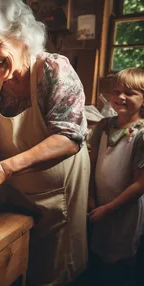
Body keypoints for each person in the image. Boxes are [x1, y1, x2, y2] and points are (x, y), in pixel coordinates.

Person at [0, 0, 90, 286]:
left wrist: (3, 168)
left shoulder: (54, 70)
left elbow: (69, 138)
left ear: (22, 37)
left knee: (54, 269)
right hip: (15, 189)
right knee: (16, 264)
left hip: (58, 194)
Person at [88, 68, 144, 286]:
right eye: (116, 91)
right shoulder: (103, 125)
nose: (121, 97)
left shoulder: (140, 134)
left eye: (130, 93)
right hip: (99, 205)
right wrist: (91, 196)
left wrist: (110, 208)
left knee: (120, 262)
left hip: (124, 209)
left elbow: (140, 185)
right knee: (99, 254)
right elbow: (91, 165)